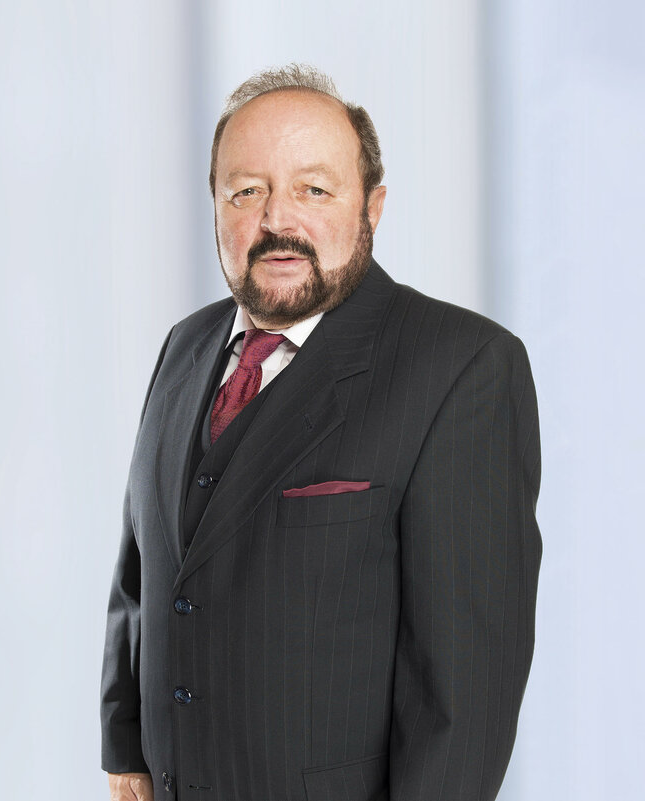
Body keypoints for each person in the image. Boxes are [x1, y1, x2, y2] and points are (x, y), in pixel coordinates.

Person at [100, 64, 542, 801]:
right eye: (247, 191)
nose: (278, 220)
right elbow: (140, 577)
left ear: (372, 207)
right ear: (216, 206)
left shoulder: (462, 366)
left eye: (314, 189)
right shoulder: (184, 346)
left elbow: (464, 694)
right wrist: (126, 754)